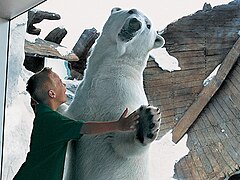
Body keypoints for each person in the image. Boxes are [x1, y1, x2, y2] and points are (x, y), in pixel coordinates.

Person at [13, 67, 139, 180]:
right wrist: (118, 125)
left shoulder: (44, 116)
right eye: (60, 83)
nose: (64, 85)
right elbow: (85, 128)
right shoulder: (52, 121)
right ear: (52, 93)